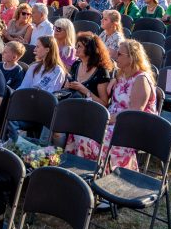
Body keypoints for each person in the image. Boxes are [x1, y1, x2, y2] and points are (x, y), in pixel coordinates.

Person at [67, 39, 159, 171]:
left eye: (120, 54)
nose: (116, 56)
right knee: (77, 130)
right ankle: (80, 172)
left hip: (128, 128)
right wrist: (114, 80)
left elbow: (134, 113)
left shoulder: (141, 80)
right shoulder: (122, 74)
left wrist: (107, 119)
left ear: (132, 58)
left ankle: (95, 173)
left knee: (88, 138)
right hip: (112, 120)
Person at [63, 33, 113, 107]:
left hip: (88, 110)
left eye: (79, 46)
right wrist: (67, 85)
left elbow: (104, 104)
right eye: (76, 45)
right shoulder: (76, 64)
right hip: (71, 105)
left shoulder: (101, 71)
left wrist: (84, 90)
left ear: (89, 49)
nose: (76, 48)